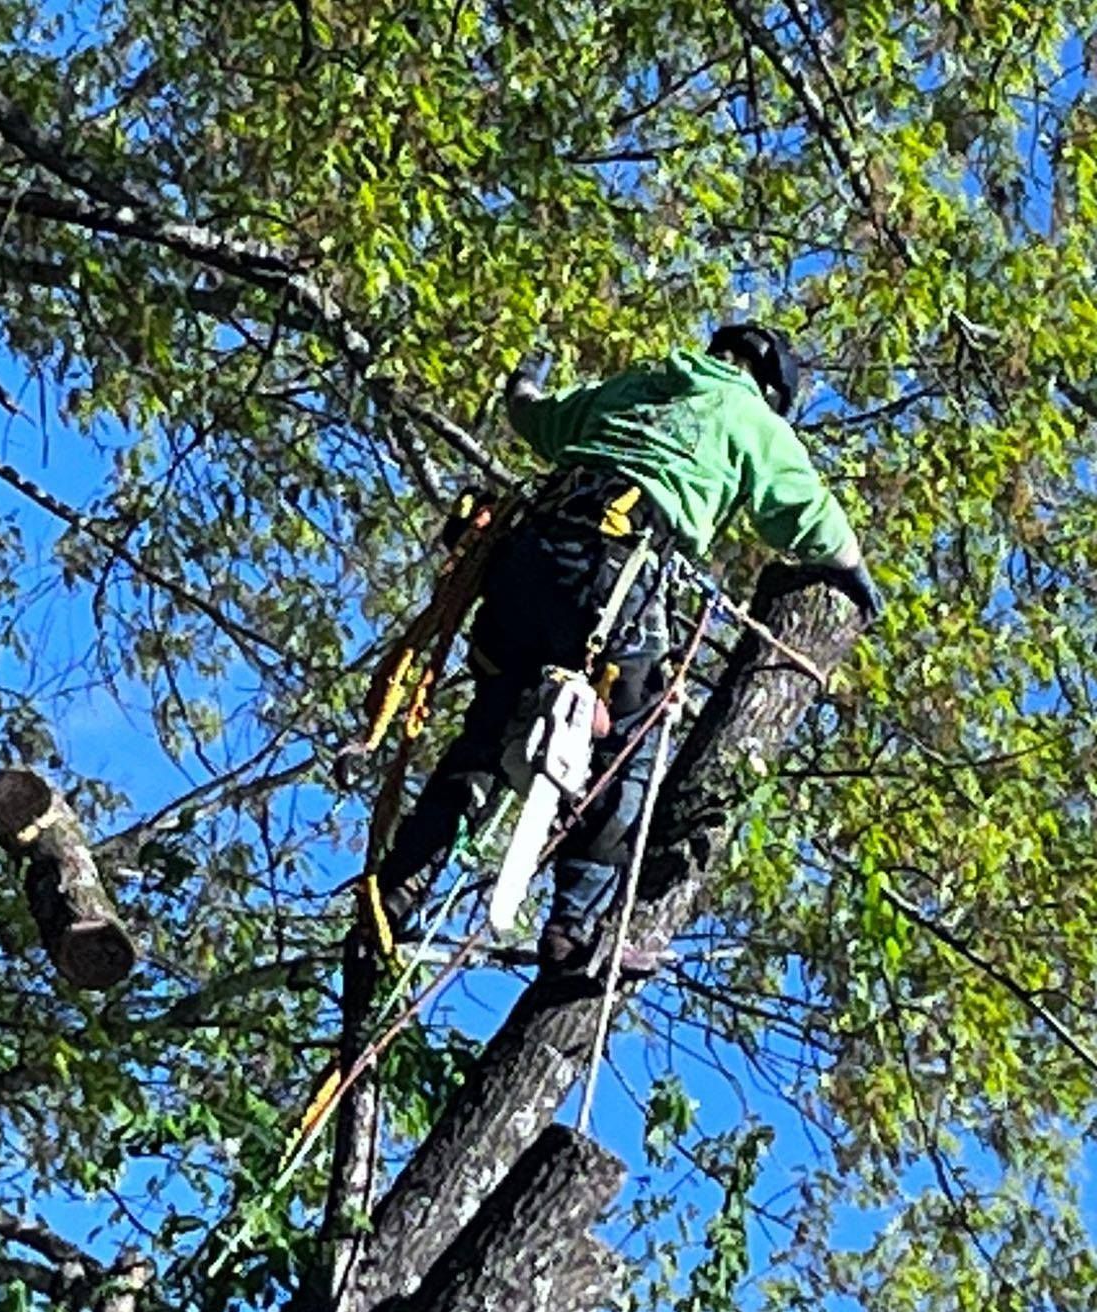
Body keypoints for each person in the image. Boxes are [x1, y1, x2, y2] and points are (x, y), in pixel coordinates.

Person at [371, 322, 878, 983]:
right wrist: (858, 581)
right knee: (627, 748)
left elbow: (537, 418)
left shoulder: (641, 385)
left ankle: (400, 891)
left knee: (493, 727)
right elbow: (809, 517)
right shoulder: (750, 417)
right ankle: (572, 931)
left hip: (527, 562)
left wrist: (523, 381)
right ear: (773, 387)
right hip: (614, 573)